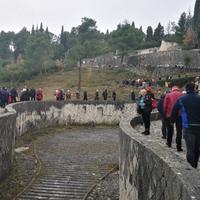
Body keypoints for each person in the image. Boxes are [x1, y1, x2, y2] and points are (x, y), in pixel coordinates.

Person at [171, 82, 200, 168]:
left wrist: (172, 121)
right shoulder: (199, 98)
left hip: (188, 127)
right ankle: (195, 164)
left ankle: (192, 167)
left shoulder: (181, 99)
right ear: (194, 88)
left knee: (190, 148)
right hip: (199, 126)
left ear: (186, 89)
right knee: (197, 148)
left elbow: (174, 110)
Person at [163, 85, 183, 151]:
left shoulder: (168, 95)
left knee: (170, 129)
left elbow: (165, 105)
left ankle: (169, 143)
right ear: (178, 89)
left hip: (170, 114)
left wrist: (165, 114)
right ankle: (178, 146)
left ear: (172, 89)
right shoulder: (182, 95)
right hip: (180, 115)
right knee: (179, 130)